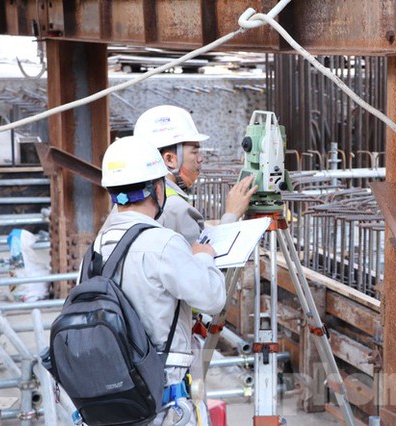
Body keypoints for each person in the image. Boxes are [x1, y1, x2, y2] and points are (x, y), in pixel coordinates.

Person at [97, 135, 226, 425]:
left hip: (112, 393)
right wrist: (202, 257)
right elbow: (213, 297)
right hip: (160, 398)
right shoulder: (163, 243)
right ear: (158, 188)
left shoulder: (99, 243)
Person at [134, 105, 257, 244]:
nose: (200, 158)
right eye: (194, 151)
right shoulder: (176, 208)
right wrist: (231, 214)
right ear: (170, 159)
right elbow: (204, 263)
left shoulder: (131, 200)